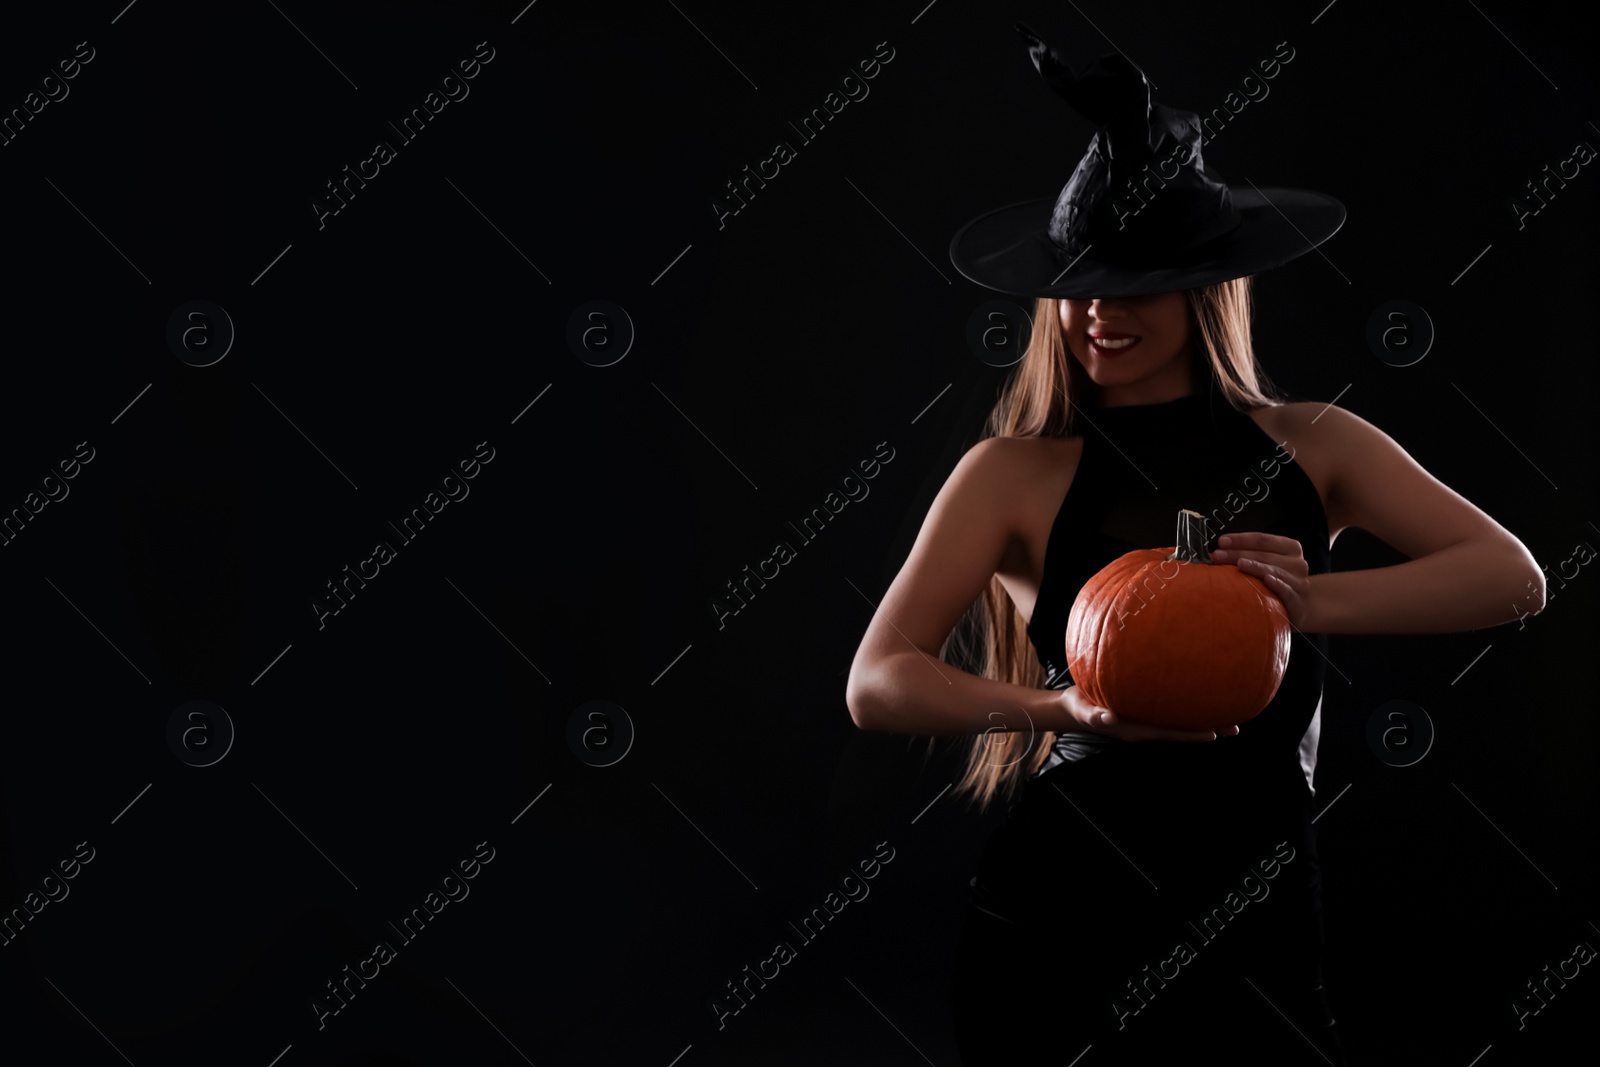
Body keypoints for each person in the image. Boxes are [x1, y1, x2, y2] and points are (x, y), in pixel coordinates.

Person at [844, 26, 1546, 1066]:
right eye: (1079, 282)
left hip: (1252, 897)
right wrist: (1055, 706)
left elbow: (1514, 578)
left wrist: (1305, 605)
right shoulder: (1012, 470)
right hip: (1057, 911)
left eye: (1134, 282)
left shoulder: (1313, 442)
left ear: (1204, 284)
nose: (1095, 312)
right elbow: (877, 679)